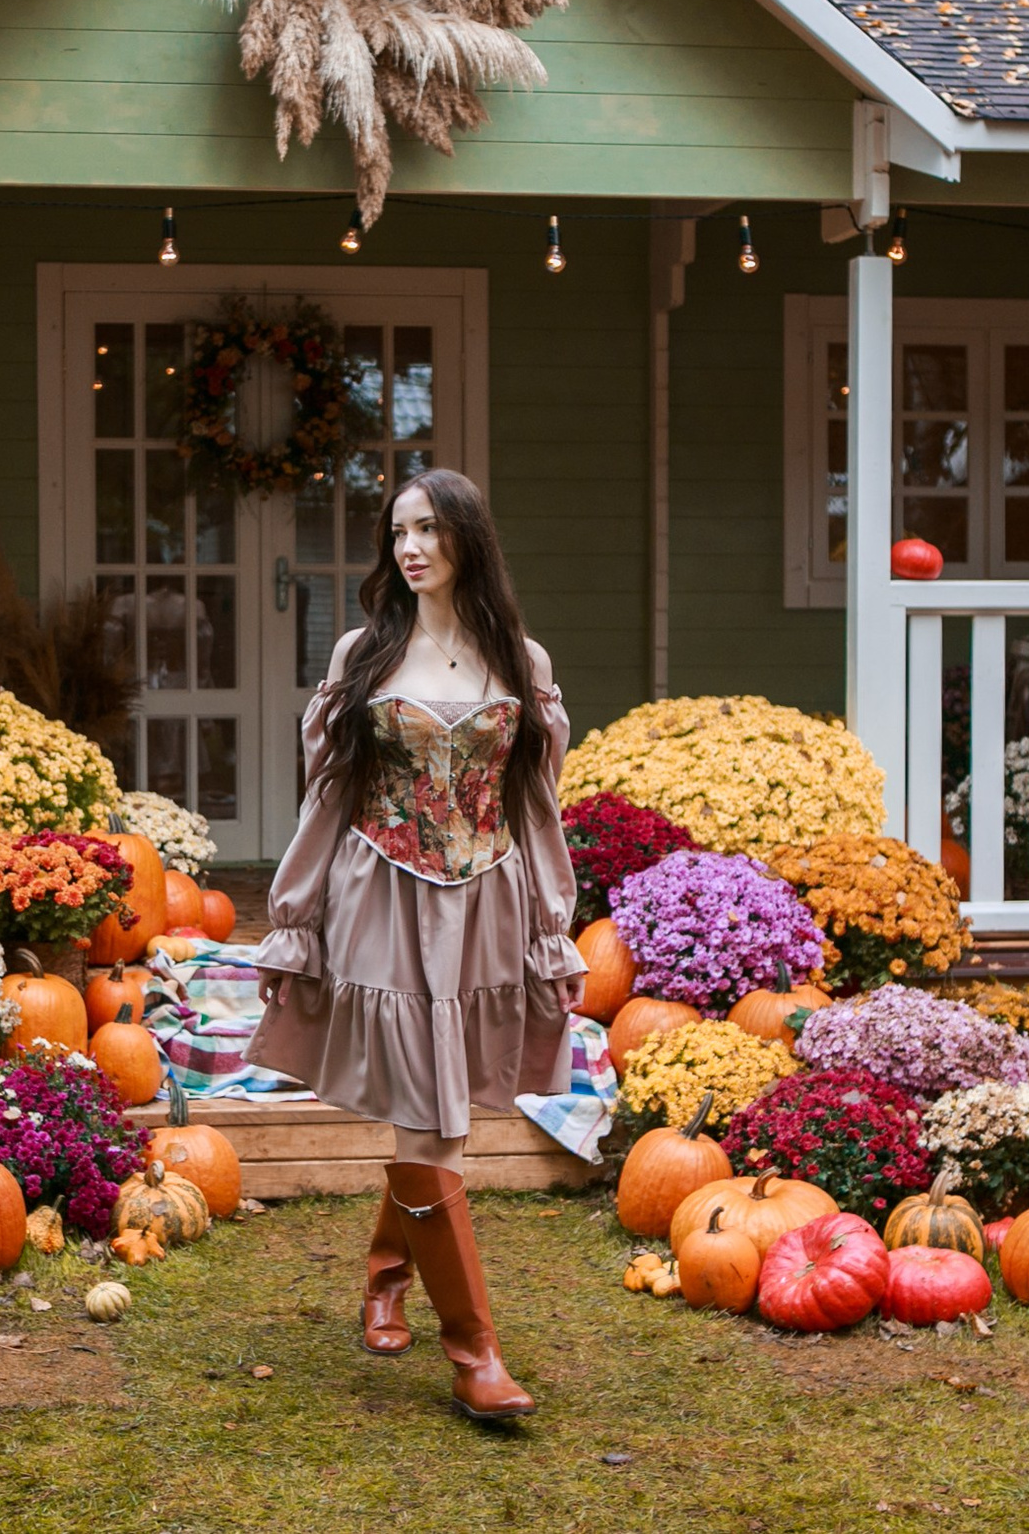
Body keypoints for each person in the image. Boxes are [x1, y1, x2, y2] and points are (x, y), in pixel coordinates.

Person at [245, 466, 584, 1423]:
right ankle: (475, 1353)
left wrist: (550, 919)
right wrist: (296, 915)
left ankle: (388, 1272)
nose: (412, 547)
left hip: (485, 899)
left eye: (430, 529)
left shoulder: (522, 662)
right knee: (433, 1124)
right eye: (399, 531)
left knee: (446, 1119)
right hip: (381, 896)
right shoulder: (362, 653)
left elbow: (536, 803)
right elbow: (329, 795)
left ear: (468, 538)